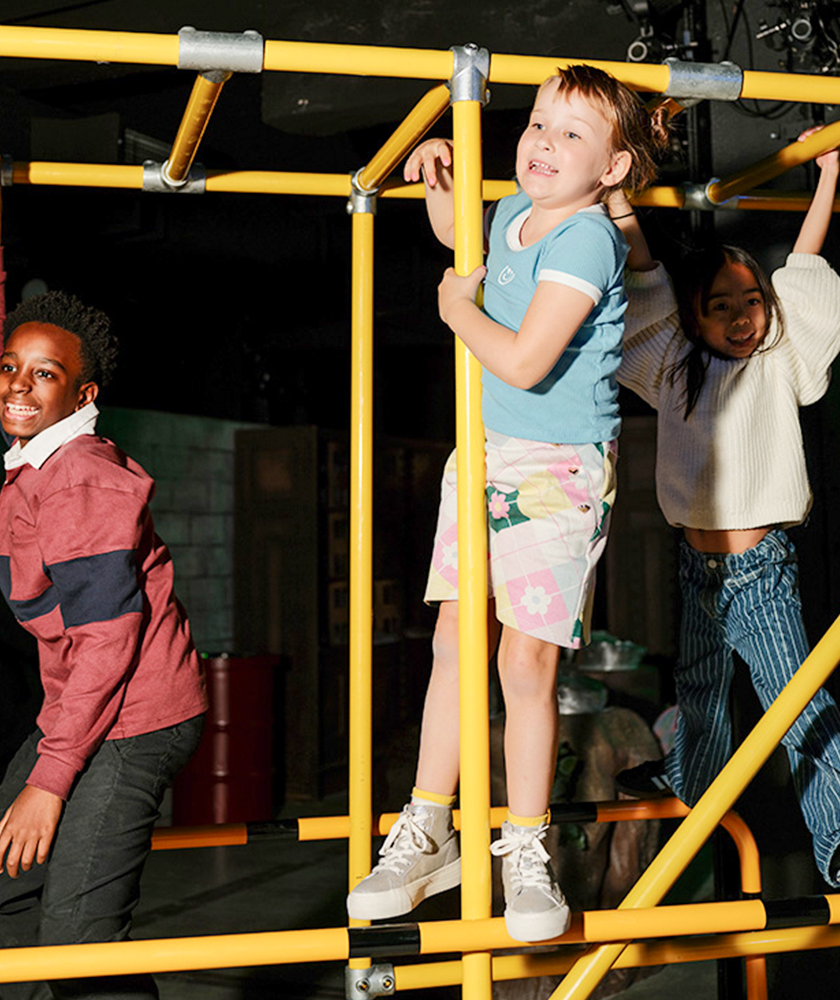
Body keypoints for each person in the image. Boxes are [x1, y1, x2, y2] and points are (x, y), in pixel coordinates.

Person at [345, 66, 667, 942]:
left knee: (524, 664)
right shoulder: (513, 216)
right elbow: (469, 248)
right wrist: (443, 188)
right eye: (537, 123)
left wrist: (455, 311)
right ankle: (428, 823)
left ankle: (525, 849)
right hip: (484, 456)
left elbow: (522, 360)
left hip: (558, 469)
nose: (542, 143)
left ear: (613, 169)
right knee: (454, 638)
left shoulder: (592, 240)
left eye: (572, 134)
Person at [608, 128, 840, 892]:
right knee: (704, 695)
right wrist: (618, 207)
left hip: (758, 570)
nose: (744, 316)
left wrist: (825, 182)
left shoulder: (780, 364)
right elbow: (645, 277)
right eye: (723, 307)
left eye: (753, 302)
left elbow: (805, 268)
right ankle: (688, 777)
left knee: (793, 702)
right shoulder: (674, 366)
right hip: (696, 565)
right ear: (695, 317)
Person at [0, 147, 207, 999]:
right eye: (13, 372)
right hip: (81, 704)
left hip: (136, 715)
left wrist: (50, 784)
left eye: (46, 375)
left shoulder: (82, 479)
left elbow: (107, 641)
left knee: (76, 936)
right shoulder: (32, 435)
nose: (18, 386)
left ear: (84, 395)